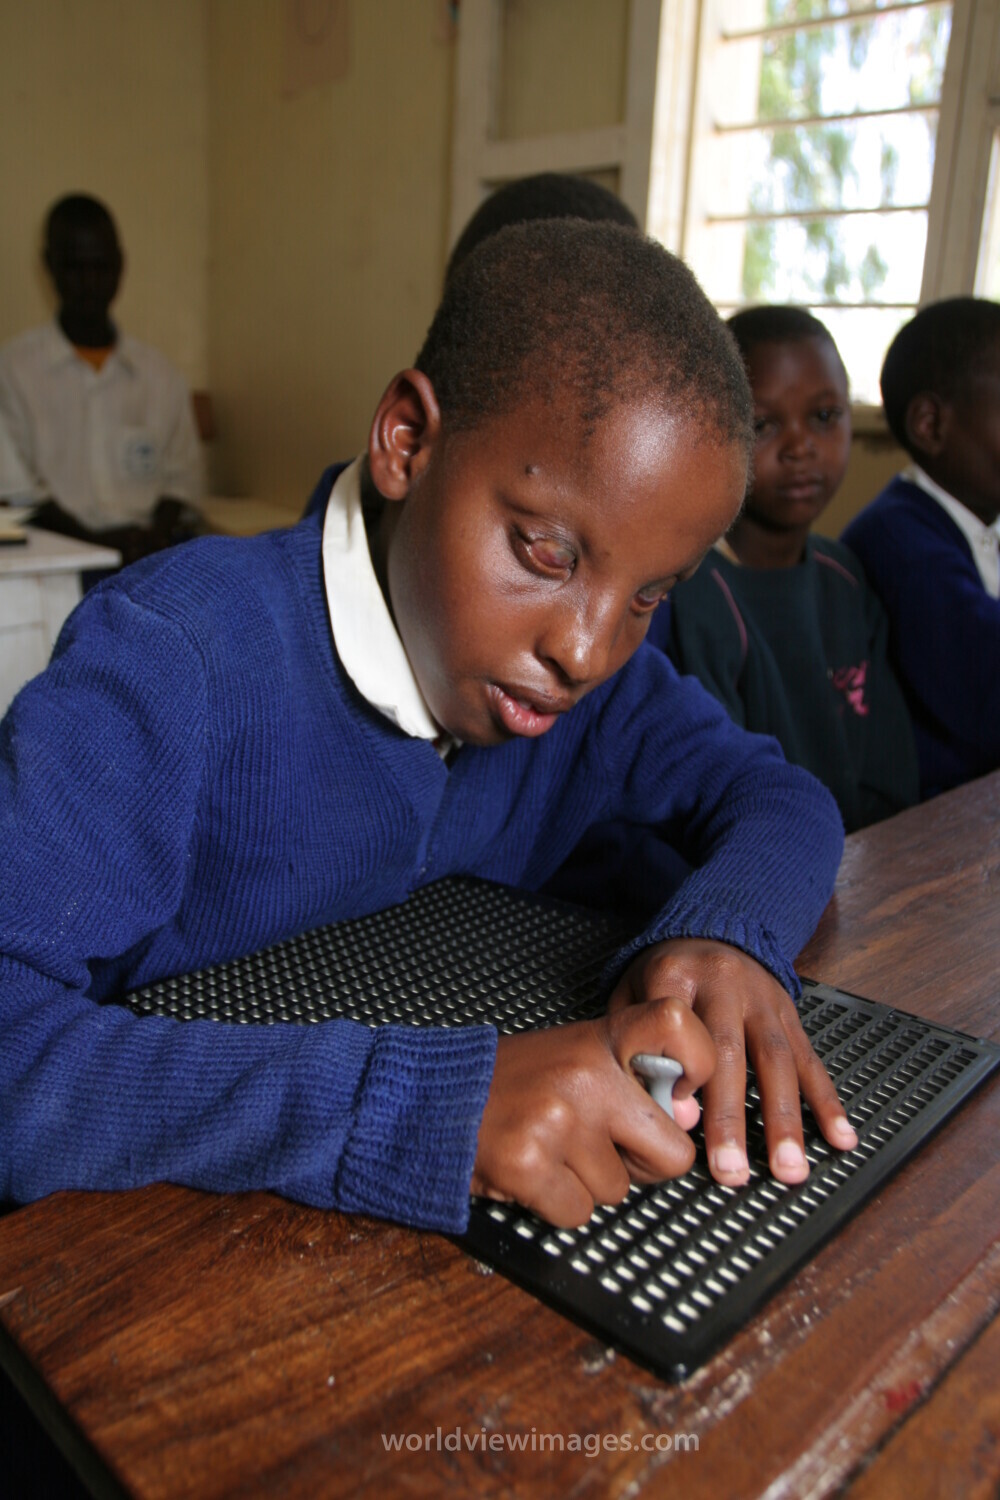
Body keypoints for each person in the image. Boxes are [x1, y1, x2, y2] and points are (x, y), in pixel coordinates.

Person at [0, 222, 857, 1238]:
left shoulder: (591, 691)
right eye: (544, 551)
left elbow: (778, 794)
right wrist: (411, 1107)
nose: (586, 650)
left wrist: (728, 935)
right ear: (407, 439)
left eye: (650, 596)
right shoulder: (172, 662)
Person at [657, 306, 919, 834]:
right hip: (756, 869)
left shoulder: (843, 576)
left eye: (824, 417)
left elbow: (892, 777)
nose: (801, 447)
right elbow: (709, 797)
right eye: (764, 425)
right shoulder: (690, 590)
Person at [842, 297, 1000, 799]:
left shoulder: (976, 525)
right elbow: (987, 692)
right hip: (930, 818)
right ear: (931, 426)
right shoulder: (898, 539)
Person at [0, 193, 203, 568]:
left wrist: (153, 538)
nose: (90, 282)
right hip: (57, 559)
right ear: (49, 266)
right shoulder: (12, 371)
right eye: (75, 268)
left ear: (120, 265)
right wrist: (97, 546)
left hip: (149, 555)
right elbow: (17, 494)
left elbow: (181, 482)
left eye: (101, 266)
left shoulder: (161, 377)